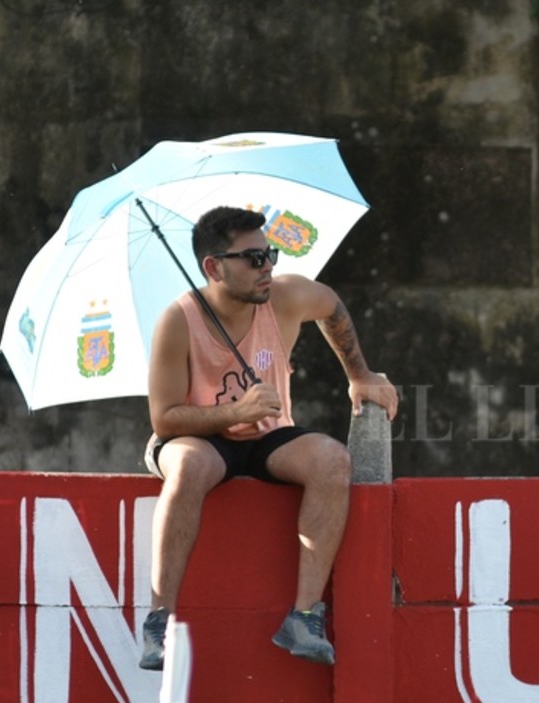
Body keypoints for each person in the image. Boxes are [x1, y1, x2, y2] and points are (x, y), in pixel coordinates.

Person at [139, 205, 398, 670]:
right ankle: (160, 619)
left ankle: (303, 617)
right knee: (190, 465)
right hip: (198, 437)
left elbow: (332, 306)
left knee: (331, 459)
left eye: (270, 254)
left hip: (267, 437)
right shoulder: (177, 321)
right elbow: (165, 420)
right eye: (253, 259)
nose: (268, 268)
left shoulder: (284, 297)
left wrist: (358, 374)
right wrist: (234, 412)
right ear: (213, 267)